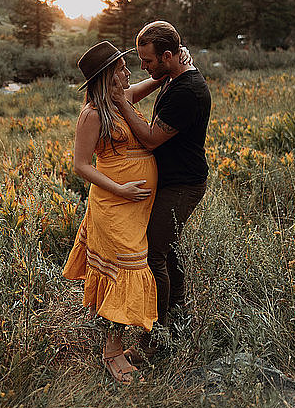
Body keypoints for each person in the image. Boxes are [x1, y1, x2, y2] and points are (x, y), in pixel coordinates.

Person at [63, 40, 165, 384]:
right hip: (113, 204)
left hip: (137, 206)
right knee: (126, 270)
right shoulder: (92, 114)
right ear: (109, 76)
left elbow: (151, 83)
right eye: (121, 68)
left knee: (128, 269)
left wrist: (175, 68)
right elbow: (80, 165)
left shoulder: (123, 100)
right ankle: (112, 352)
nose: (128, 71)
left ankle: (115, 340)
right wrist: (120, 188)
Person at [111, 21, 211, 361]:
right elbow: (158, 77)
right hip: (173, 181)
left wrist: (122, 103)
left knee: (154, 253)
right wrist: (163, 73)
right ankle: (179, 317)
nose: (143, 66)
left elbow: (152, 138)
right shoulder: (176, 75)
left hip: (182, 184)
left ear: (168, 56)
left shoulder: (187, 91)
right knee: (168, 250)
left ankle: (158, 337)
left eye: (148, 60)